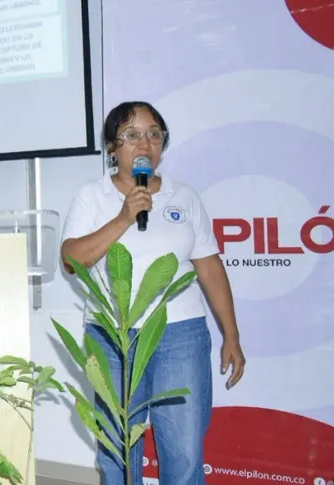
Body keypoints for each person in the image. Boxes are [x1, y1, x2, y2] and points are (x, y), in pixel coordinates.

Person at [60, 101, 247, 485]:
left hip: (181, 334)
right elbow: (70, 259)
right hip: (112, 336)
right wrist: (124, 217)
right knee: (117, 451)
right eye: (131, 135)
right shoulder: (92, 196)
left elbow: (209, 267)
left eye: (154, 134)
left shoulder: (185, 197)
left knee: (184, 451)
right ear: (112, 147)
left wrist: (232, 334)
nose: (144, 144)